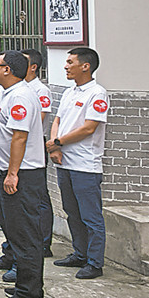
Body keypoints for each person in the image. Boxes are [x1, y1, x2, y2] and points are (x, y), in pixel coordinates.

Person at [0, 50, 47, 298]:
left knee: (25, 236)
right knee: (17, 233)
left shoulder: (21, 96)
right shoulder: (9, 93)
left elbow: (19, 137)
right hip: (8, 171)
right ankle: (31, 286)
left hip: (22, 174)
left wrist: (13, 173)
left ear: (8, 70)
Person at [48, 48, 108, 280]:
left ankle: (95, 262)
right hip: (65, 161)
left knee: (90, 216)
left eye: (70, 62)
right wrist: (55, 146)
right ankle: (79, 253)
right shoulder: (69, 92)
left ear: (85, 66)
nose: (66, 66)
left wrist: (58, 142)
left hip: (85, 165)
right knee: (72, 211)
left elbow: (88, 128)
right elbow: (58, 119)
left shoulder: (97, 94)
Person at [22, 48, 55, 257]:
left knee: (39, 195)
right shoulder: (19, 88)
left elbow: (37, 120)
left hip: (34, 143)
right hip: (19, 143)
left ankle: (44, 242)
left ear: (33, 67)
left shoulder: (40, 90)